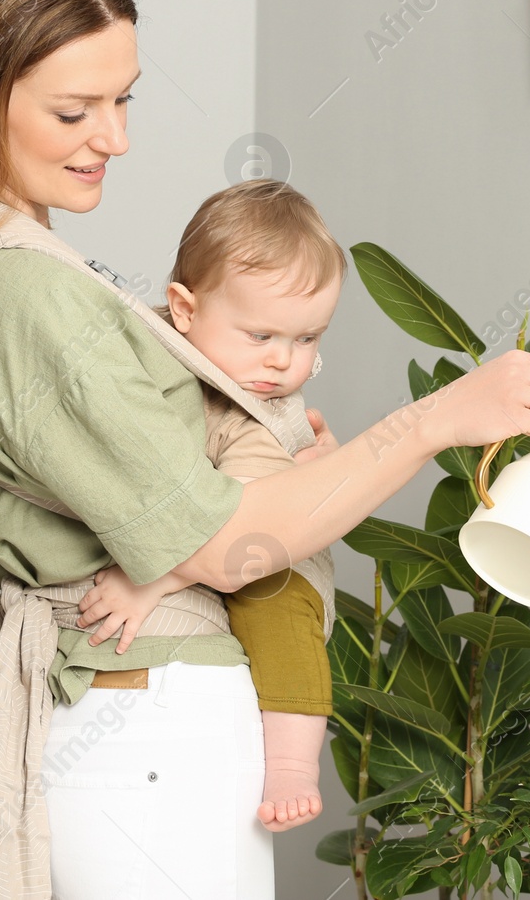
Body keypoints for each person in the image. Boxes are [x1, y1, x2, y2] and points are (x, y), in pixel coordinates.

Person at [0, 0, 530, 900]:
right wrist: (441, 417)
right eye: (74, 109)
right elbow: (226, 546)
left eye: (122, 99)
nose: (115, 139)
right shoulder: (28, 296)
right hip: (149, 726)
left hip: (121, 720)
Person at [80, 178, 348, 833]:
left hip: (271, 553)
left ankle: (291, 760)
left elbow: (245, 522)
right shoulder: (157, 349)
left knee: (279, 611)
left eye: (307, 339)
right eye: (260, 334)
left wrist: (156, 578)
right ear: (182, 308)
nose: (284, 360)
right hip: (205, 531)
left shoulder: (259, 414)